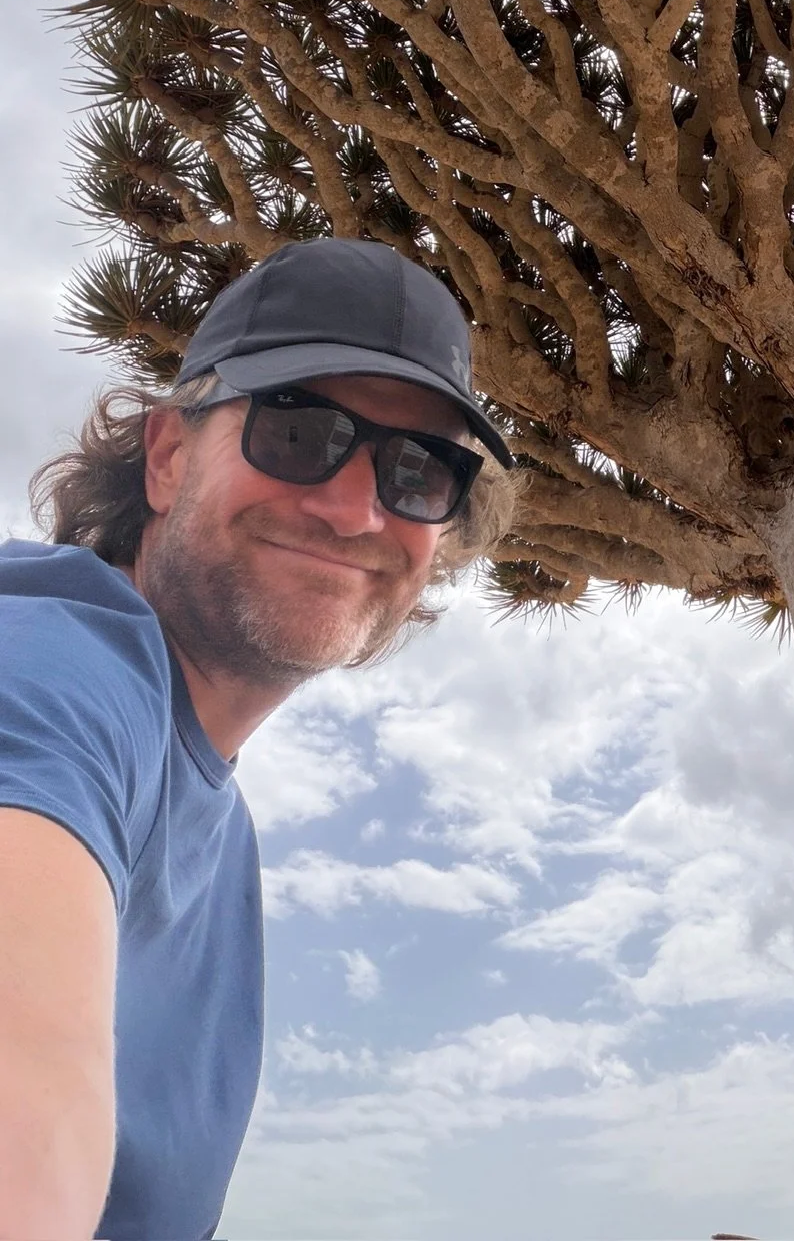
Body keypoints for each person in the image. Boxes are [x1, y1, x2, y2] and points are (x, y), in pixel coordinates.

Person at [0, 238, 516, 1241]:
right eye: (298, 428)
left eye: (419, 469)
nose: (355, 506)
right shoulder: (49, 663)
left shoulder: (217, 823)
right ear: (167, 455)